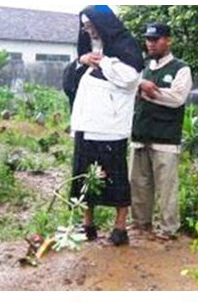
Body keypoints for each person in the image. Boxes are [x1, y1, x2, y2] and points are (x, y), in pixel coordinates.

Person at [66, 6, 144, 246]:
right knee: (83, 179)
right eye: (84, 27)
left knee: (116, 179)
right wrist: (82, 60)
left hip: (111, 129)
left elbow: (131, 77)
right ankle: (87, 224)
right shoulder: (88, 51)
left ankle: (120, 229)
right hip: (85, 127)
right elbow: (70, 81)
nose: (87, 30)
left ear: (104, 23)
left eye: (90, 25)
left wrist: (103, 62)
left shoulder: (125, 47)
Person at [129, 22, 192, 240]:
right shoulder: (144, 69)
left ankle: (168, 229)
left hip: (165, 139)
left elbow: (177, 98)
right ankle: (140, 224)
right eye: (148, 39)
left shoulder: (180, 68)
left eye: (155, 39)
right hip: (140, 136)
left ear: (168, 40)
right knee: (138, 185)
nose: (151, 43)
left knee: (167, 189)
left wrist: (147, 91)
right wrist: (140, 84)